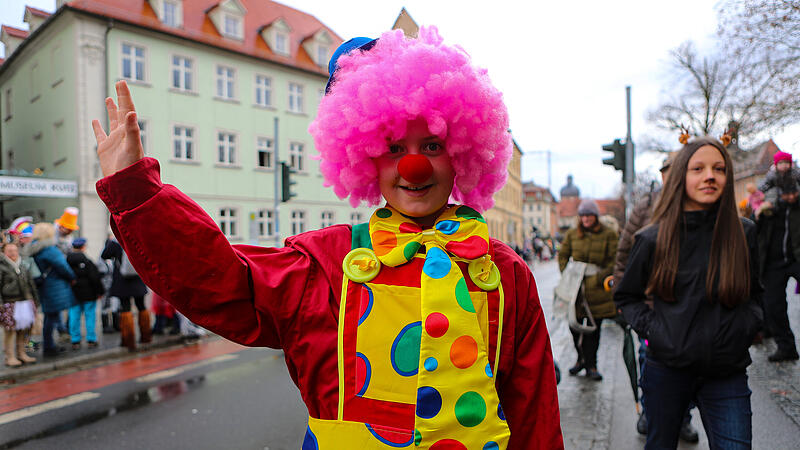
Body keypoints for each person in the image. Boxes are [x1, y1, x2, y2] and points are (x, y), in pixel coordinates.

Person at [91, 27, 563, 449]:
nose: (413, 166)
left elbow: (534, 415)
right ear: (365, 156)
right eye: (393, 148)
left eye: (432, 146)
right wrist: (136, 191)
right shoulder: (326, 262)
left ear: (461, 151)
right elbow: (219, 281)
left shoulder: (504, 272)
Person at [615, 136, 762, 449]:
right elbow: (627, 297)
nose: (710, 176)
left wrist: (744, 328)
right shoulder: (652, 238)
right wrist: (657, 332)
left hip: (726, 372)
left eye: (719, 169)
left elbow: (756, 294)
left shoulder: (744, 232)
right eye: (698, 169)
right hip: (667, 370)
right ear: (681, 176)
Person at [612, 153, 699, 442]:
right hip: (651, 305)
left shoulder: (697, 204)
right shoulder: (646, 205)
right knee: (648, 360)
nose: (671, 176)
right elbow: (625, 251)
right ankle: (649, 411)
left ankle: (683, 418)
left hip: (689, 306)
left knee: (689, 366)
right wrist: (623, 296)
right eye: (667, 171)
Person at [558, 199, 618, 381]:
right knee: (574, 326)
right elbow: (563, 255)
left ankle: (592, 365)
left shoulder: (609, 234)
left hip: (597, 289)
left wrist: (599, 278)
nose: (585, 219)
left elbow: (614, 260)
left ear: (595, 217)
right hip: (575, 288)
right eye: (583, 216)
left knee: (594, 329)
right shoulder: (572, 234)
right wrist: (567, 274)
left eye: (589, 215)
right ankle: (580, 359)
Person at [755, 163, 800, 362]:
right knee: (774, 307)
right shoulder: (769, 208)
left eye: (794, 193)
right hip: (773, 263)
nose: (790, 197)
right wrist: (758, 214)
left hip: (797, 258)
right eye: (786, 194)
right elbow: (754, 227)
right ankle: (786, 348)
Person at [27, 223, 76, 357]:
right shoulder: (49, 249)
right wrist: (72, 277)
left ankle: (49, 345)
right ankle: (49, 347)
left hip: (43, 285)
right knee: (51, 317)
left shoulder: (33, 247)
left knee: (49, 316)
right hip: (54, 287)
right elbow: (63, 266)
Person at [101, 238, 150, 351]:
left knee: (125, 308)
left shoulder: (115, 242)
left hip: (122, 280)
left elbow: (104, 255)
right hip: (138, 277)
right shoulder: (135, 237)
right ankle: (146, 337)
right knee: (141, 306)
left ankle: (128, 341)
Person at [0, 242, 39, 366]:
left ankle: (22, 353)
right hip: (9, 302)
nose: (13, 253)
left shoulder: (23, 264)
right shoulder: (2, 266)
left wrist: (35, 300)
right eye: (9, 251)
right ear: (4, 253)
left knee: (23, 330)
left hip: (25, 302)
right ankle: (9, 357)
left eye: (15, 250)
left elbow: (31, 283)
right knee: (10, 331)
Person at [66, 238, 105, 350]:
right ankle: (91, 339)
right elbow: (95, 278)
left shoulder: (67, 262)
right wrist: (100, 292)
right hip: (89, 294)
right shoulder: (88, 262)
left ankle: (75, 340)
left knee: (74, 317)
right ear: (83, 247)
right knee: (90, 316)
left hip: (73, 294)